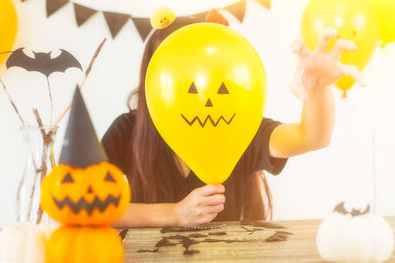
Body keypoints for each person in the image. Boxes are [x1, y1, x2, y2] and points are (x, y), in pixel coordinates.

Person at [101, 11, 364, 227]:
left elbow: (312, 138)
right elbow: (90, 206)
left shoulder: (240, 125)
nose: (203, 93)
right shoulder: (127, 130)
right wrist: (173, 214)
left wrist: (319, 87)